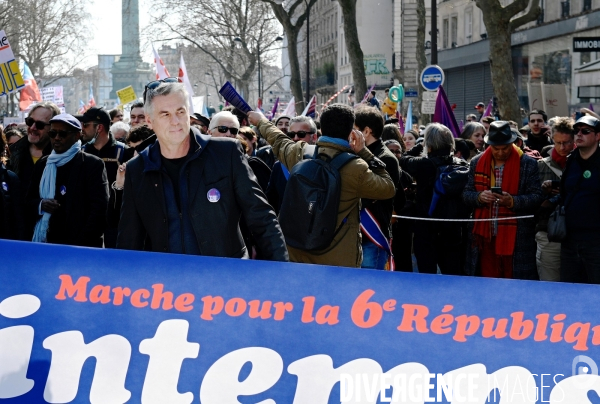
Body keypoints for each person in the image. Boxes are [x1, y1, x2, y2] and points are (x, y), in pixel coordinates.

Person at [117, 81, 288, 261]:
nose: (175, 121)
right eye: (165, 114)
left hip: (226, 276)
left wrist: (280, 273)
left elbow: (261, 217)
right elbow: (129, 240)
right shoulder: (137, 169)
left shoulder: (226, 153)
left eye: (180, 112)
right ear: (150, 121)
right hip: (169, 283)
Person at [248, 104, 396, 268]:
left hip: (296, 253)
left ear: (321, 129)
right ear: (351, 132)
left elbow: (278, 139)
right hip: (338, 261)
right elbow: (388, 188)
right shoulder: (357, 167)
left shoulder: (300, 153)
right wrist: (364, 152)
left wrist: (261, 121)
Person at [463, 121, 543, 279]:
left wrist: (512, 201)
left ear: (512, 144)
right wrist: (479, 197)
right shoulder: (476, 162)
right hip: (484, 237)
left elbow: (537, 197)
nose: (500, 153)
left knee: (515, 282)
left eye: (504, 148)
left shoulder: (527, 164)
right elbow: (466, 194)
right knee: (486, 281)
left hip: (516, 238)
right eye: (496, 149)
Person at [27, 114, 109, 247]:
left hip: (81, 247)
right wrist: (41, 204)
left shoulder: (92, 164)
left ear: (77, 135)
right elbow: (28, 201)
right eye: (53, 133)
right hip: (46, 243)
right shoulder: (43, 164)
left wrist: (79, 245)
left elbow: (99, 211)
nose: (57, 138)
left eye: (63, 134)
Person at [398, 123, 468, 275]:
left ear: (428, 144)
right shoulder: (461, 164)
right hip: (452, 228)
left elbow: (403, 159)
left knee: (427, 277)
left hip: (426, 229)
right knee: (452, 274)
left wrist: (419, 145)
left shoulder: (424, 164)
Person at [355, 106, 403, 269]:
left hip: (372, 236)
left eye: (354, 130)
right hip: (354, 236)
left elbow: (377, 194)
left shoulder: (386, 158)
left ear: (366, 131)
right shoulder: (355, 154)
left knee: (371, 289)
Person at [77, 107, 131, 248]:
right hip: (87, 223)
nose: (82, 128)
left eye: (86, 125)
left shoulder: (123, 151)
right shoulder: (81, 152)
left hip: (115, 224)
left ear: (99, 127)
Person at [8, 102, 59, 239]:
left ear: (53, 127)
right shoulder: (12, 153)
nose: (33, 128)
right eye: (30, 122)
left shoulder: (61, 156)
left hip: (52, 234)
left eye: (40, 125)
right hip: (17, 234)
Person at [558, 115, 600, 283]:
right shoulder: (571, 160)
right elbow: (565, 193)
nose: (579, 134)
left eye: (585, 131)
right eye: (576, 131)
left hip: (596, 243)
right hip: (569, 240)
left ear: (598, 136)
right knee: (569, 292)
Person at [535, 117, 574, 282]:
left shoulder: (582, 164)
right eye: (558, 142)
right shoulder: (541, 165)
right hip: (549, 233)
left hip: (577, 235)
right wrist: (544, 195)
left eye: (566, 143)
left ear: (574, 140)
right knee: (549, 285)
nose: (562, 147)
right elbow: (532, 198)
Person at [266, 115, 318, 214]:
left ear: (314, 137)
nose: (295, 138)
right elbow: (271, 201)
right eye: (291, 134)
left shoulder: (323, 164)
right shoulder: (279, 167)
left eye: (301, 134)